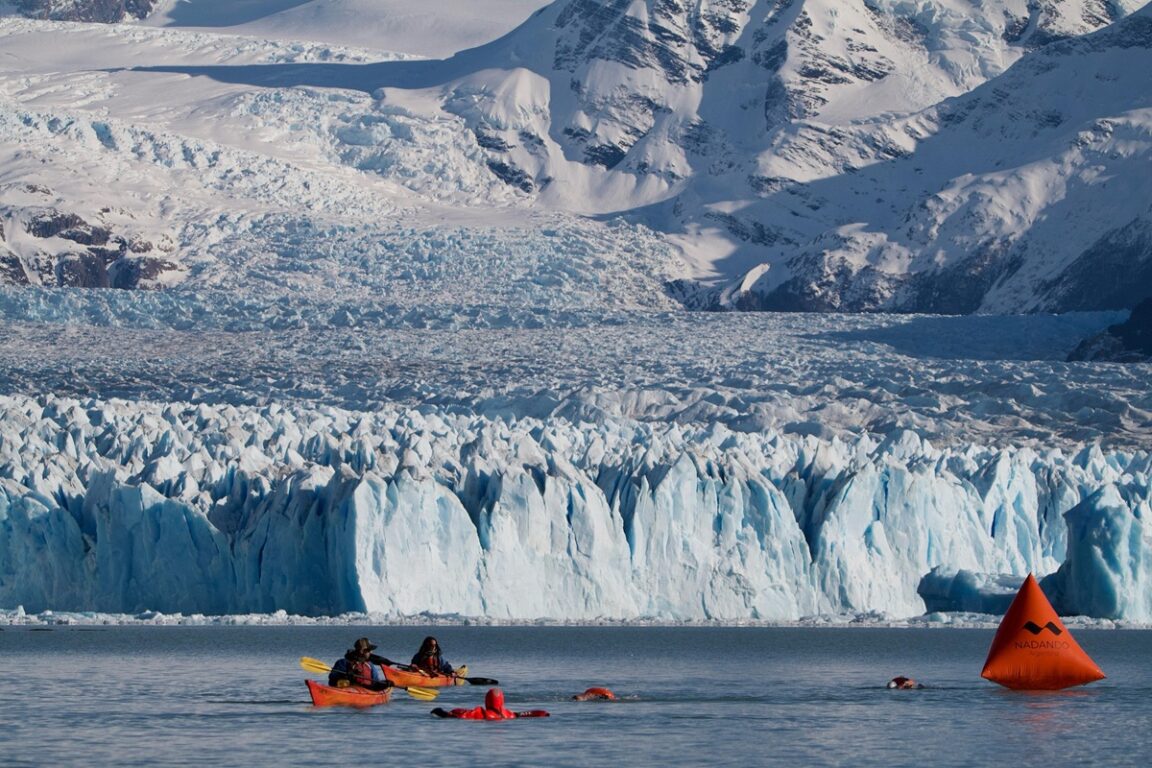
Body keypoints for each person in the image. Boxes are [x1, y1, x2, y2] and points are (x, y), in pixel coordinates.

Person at [432, 688, 549, 720]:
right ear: (502, 701)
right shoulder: (509, 714)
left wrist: (441, 712)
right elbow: (527, 713)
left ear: (487, 700)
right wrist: (544, 713)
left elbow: (460, 715)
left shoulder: (480, 712)